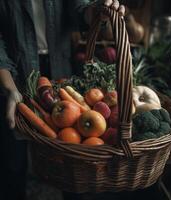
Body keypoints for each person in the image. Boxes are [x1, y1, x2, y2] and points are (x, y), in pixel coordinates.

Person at [0, 0, 125, 199]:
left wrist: (99, 11)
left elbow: (80, 11)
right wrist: (10, 89)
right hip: (14, 73)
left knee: (72, 160)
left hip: (60, 71)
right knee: (12, 161)